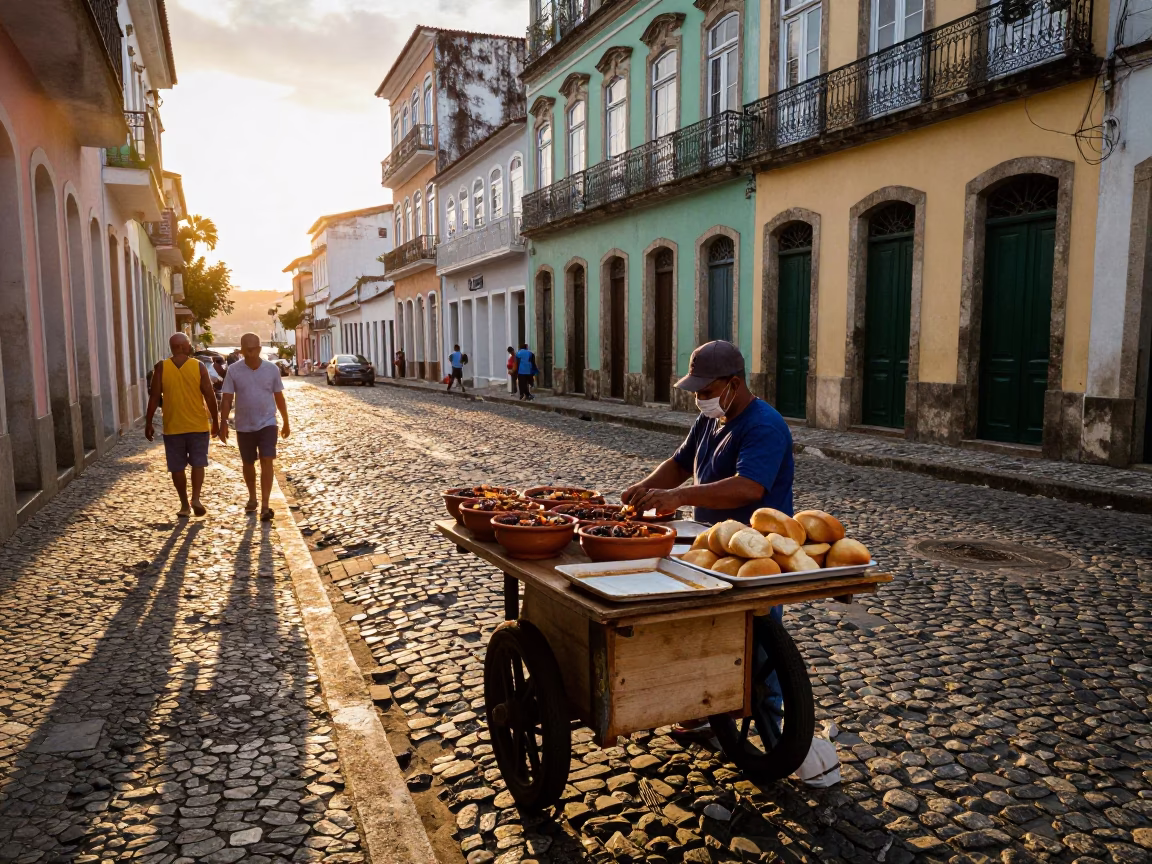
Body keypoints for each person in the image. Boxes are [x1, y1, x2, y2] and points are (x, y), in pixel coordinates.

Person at [622, 340, 794, 738]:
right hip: (710, 548)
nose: (699, 399)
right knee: (710, 634)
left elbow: (749, 487)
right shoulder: (710, 419)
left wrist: (679, 497)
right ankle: (706, 710)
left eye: (705, 391)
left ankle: (773, 729)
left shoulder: (763, 424)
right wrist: (644, 489)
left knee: (760, 644)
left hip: (755, 555)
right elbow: (680, 463)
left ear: (734, 384)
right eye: (696, 392)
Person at [145, 333, 220, 518]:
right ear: (184, 347)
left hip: (173, 426)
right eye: (188, 345)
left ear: (172, 347)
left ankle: (184, 505)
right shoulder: (198, 366)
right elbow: (209, 395)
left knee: (177, 467)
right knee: (198, 464)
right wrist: (216, 420)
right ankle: (196, 498)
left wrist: (148, 422)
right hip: (198, 424)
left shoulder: (161, 368)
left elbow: (154, 397)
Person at [218, 333, 291, 522]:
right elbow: (227, 398)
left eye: (254, 349)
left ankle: (265, 505)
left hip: (267, 422)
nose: (251, 354)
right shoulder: (234, 370)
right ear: (242, 350)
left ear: (259, 349)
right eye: (247, 350)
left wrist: (285, 421)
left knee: (267, 459)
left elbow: (279, 396)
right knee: (248, 463)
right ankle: (252, 496)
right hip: (244, 424)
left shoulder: (271, 369)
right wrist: (223, 422)